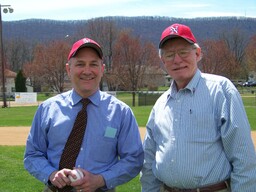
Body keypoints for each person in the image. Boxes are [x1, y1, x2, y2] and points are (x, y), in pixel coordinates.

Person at [140, 23, 256, 192]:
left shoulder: (220, 90)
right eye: (170, 54)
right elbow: (149, 161)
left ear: (198, 53)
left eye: (183, 52)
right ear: (163, 61)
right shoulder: (160, 104)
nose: (177, 60)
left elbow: (243, 157)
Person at [24, 37, 144, 192]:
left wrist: (100, 180)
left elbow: (133, 159)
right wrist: (51, 174)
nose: (87, 71)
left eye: (93, 64)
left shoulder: (121, 112)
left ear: (102, 69)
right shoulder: (47, 109)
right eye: (80, 64)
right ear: (69, 69)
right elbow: (32, 154)